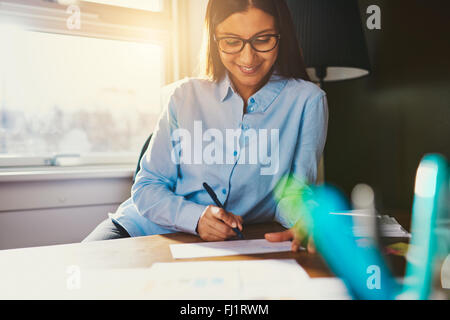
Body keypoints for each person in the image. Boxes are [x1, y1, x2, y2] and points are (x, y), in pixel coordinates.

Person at [83, 0, 328, 252]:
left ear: (281, 35)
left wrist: (306, 220)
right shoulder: (184, 96)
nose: (248, 57)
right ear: (214, 39)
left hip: (233, 243)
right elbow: (147, 187)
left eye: (263, 40)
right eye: (232, 41)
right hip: (143, 228)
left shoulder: (308, 101)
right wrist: (196, 218)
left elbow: (295, 193)